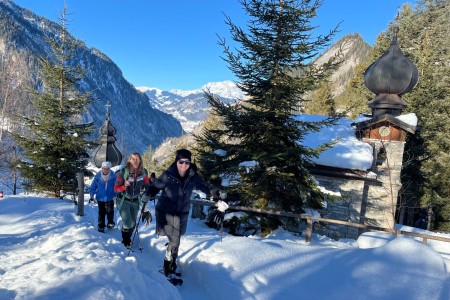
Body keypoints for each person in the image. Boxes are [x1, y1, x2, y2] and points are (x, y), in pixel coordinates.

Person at [146, 148, 227, 278]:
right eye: (181, 161)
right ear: (176, 161)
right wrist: (148, 194)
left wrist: (217, 192)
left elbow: (205, 187)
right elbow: (155, 186)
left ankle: (171, 261)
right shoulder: (168, 175)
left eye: (187, 162)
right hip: (167, 211)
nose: (184, 165)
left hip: (182, 212)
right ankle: (168, 269)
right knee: (175, 241)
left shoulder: (193, 176)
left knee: (176, 239)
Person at [114, 153, 152, 248]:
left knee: (133, 223)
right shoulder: (122, 172)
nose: (135, 161)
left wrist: (149, 192)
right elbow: (116, 188)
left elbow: (147, 186)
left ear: (140, 160)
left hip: (136, 200)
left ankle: (127, 238)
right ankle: (126, 241)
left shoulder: (144, 172)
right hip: (124, 200)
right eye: (133, 159)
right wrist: (124, 186)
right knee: (128, 222)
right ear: (129, 160)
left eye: (137, 159)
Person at [89, 161, 117, 233]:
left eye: (107, 168)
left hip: (110, 196)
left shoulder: (113, 176)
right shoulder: (98, 177)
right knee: (101, 212)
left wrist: (116, 195)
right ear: (102, 168)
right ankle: (101, 225)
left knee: (110, 210)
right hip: (100, 197)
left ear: (109, 169)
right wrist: (91, 195)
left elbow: (116, 186)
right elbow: (93, 186)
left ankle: (110, 222)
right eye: (104, 168)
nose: (106, 170)